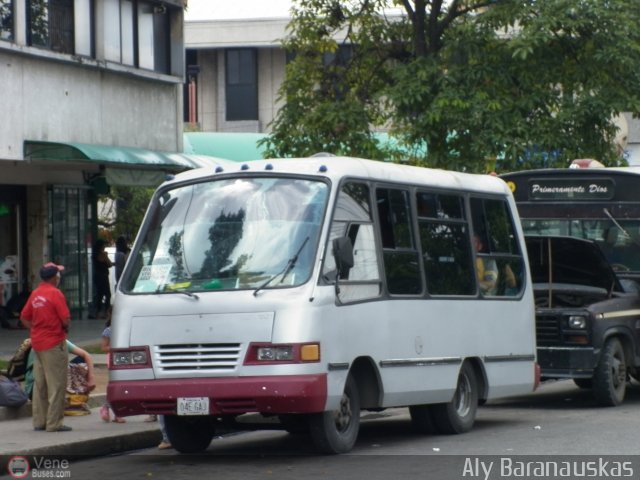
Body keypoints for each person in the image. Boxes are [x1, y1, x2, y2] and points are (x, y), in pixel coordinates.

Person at [20, 262, 72, 432]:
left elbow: (24, 317)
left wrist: (36, 329)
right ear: (54, 277)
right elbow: (65, 319)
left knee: (40, 384)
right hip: (53, 343)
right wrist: (62, 329)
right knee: (56, 385)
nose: (59, 277)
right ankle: (54, 423)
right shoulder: (56, 294)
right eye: (58, 274)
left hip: (38, 344)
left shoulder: (35, 294)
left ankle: (39, 421)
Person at [23, 338, 96, 400]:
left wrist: (91, 378)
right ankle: (70, 394)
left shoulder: (60, 341)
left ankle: (76, 392)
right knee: (61, 368)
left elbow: (86, 355)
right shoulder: (41, 342)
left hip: (53, 383)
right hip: (36, 389)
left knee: (81, 360)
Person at [100, 312, 125, 423]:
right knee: (115, 387)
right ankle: (109, 409)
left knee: (123, 387)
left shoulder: (125, 329)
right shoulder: (108, 331)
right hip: (113, 361)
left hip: (124, 360)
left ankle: (116, 412)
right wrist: (116, 348)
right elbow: (104, 347)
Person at [91, 239, 113, 319]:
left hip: (98, 276)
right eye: (103, 245)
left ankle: (98, 312)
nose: (104, 247)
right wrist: (106, 255)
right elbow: (109, 264)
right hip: (102, 277)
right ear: (100, 246)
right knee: (107, 294)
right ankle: (105, 312)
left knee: (99, 295)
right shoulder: (102, 255)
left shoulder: (94, 255)